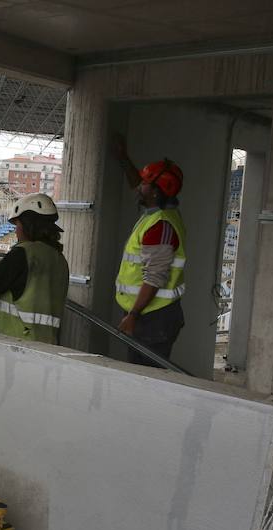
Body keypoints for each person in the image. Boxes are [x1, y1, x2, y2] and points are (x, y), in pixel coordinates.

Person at [113, 138, 187, 367]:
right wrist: (124, 159)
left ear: (155, 192)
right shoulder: (156, 212)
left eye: (145, 184)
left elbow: (155, 276)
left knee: (148, 378)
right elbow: (137, 185)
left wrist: (133, 315)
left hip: (153, 319)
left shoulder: (160, 226)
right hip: (148, 315)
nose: (139, 187)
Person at [0, 193, 69, 344]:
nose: (15, 231)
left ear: (28, 226)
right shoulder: (60, 260)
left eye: (18, 225)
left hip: (15, 342)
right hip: (46, 344)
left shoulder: (24, 253)